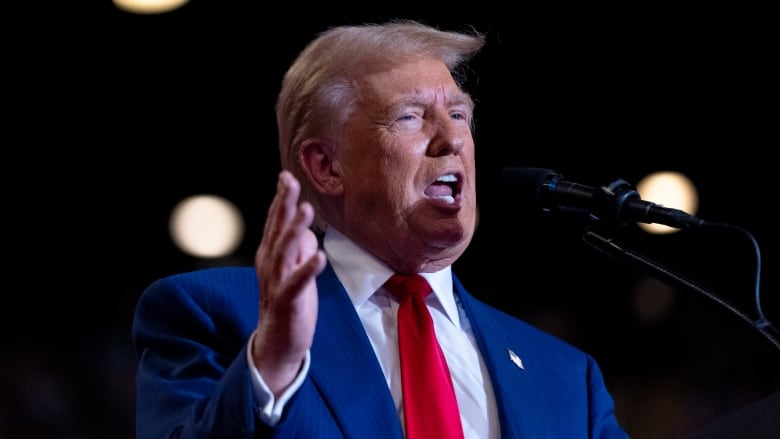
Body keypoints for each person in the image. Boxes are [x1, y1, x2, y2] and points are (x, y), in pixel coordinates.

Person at [132, 19, 630, 438]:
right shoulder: (212, 313)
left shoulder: (565, 378)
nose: (452, 139)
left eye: (459, 115)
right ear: (326, 165)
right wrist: (272, 366)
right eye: (411, 117)